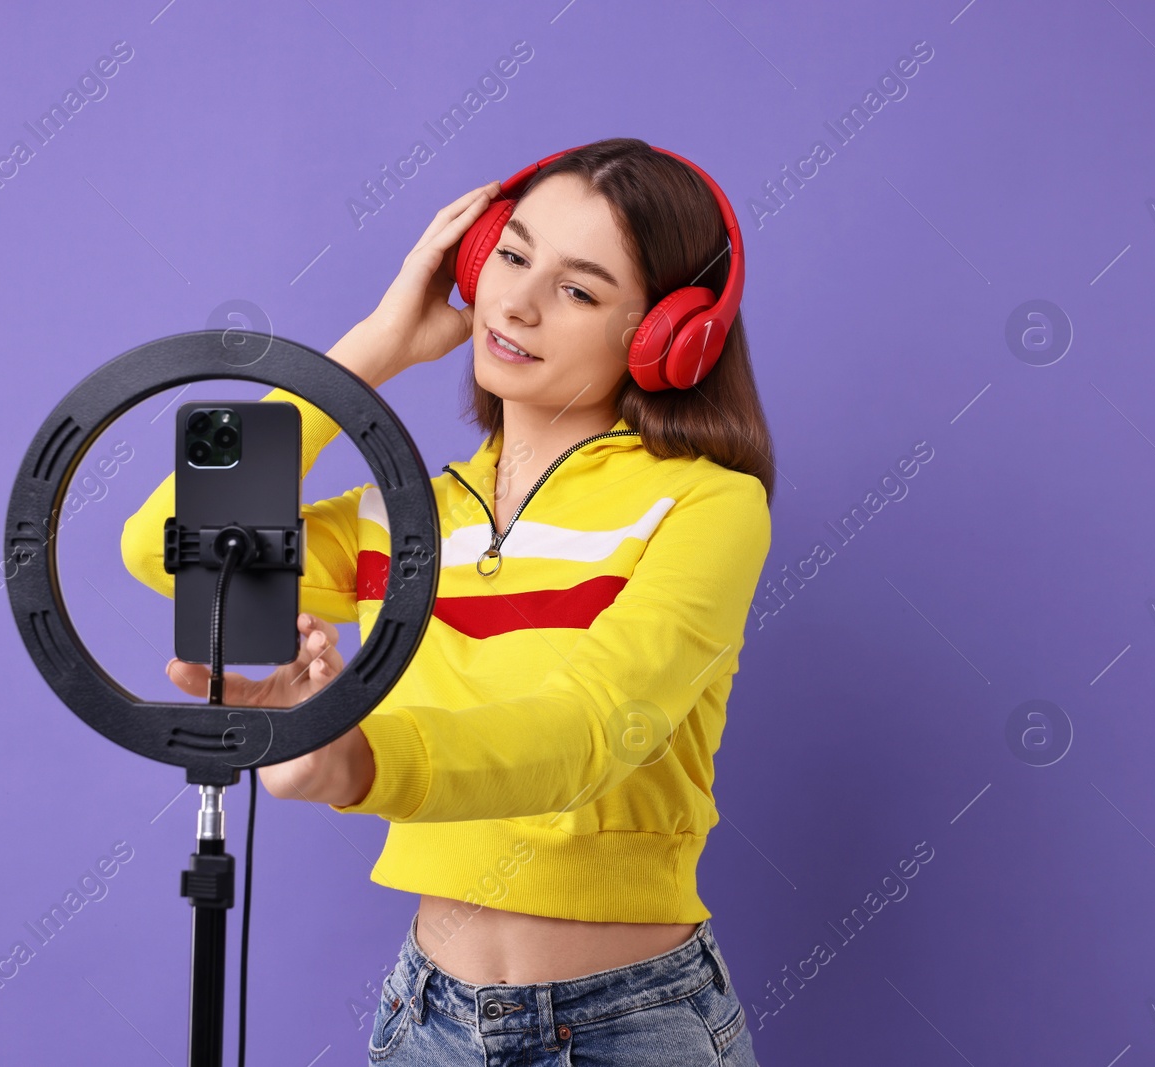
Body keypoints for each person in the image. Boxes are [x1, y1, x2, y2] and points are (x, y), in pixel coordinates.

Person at [120, 137, 774, 1065]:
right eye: (510, 257)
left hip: (636, 1021)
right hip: (429, 1016)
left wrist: (357, 757)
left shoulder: (707, 506)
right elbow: (164, 541)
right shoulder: (403, 517)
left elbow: (587, 733)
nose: (514, 303)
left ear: (669, 337)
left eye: (579, 290)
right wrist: (373, 349)